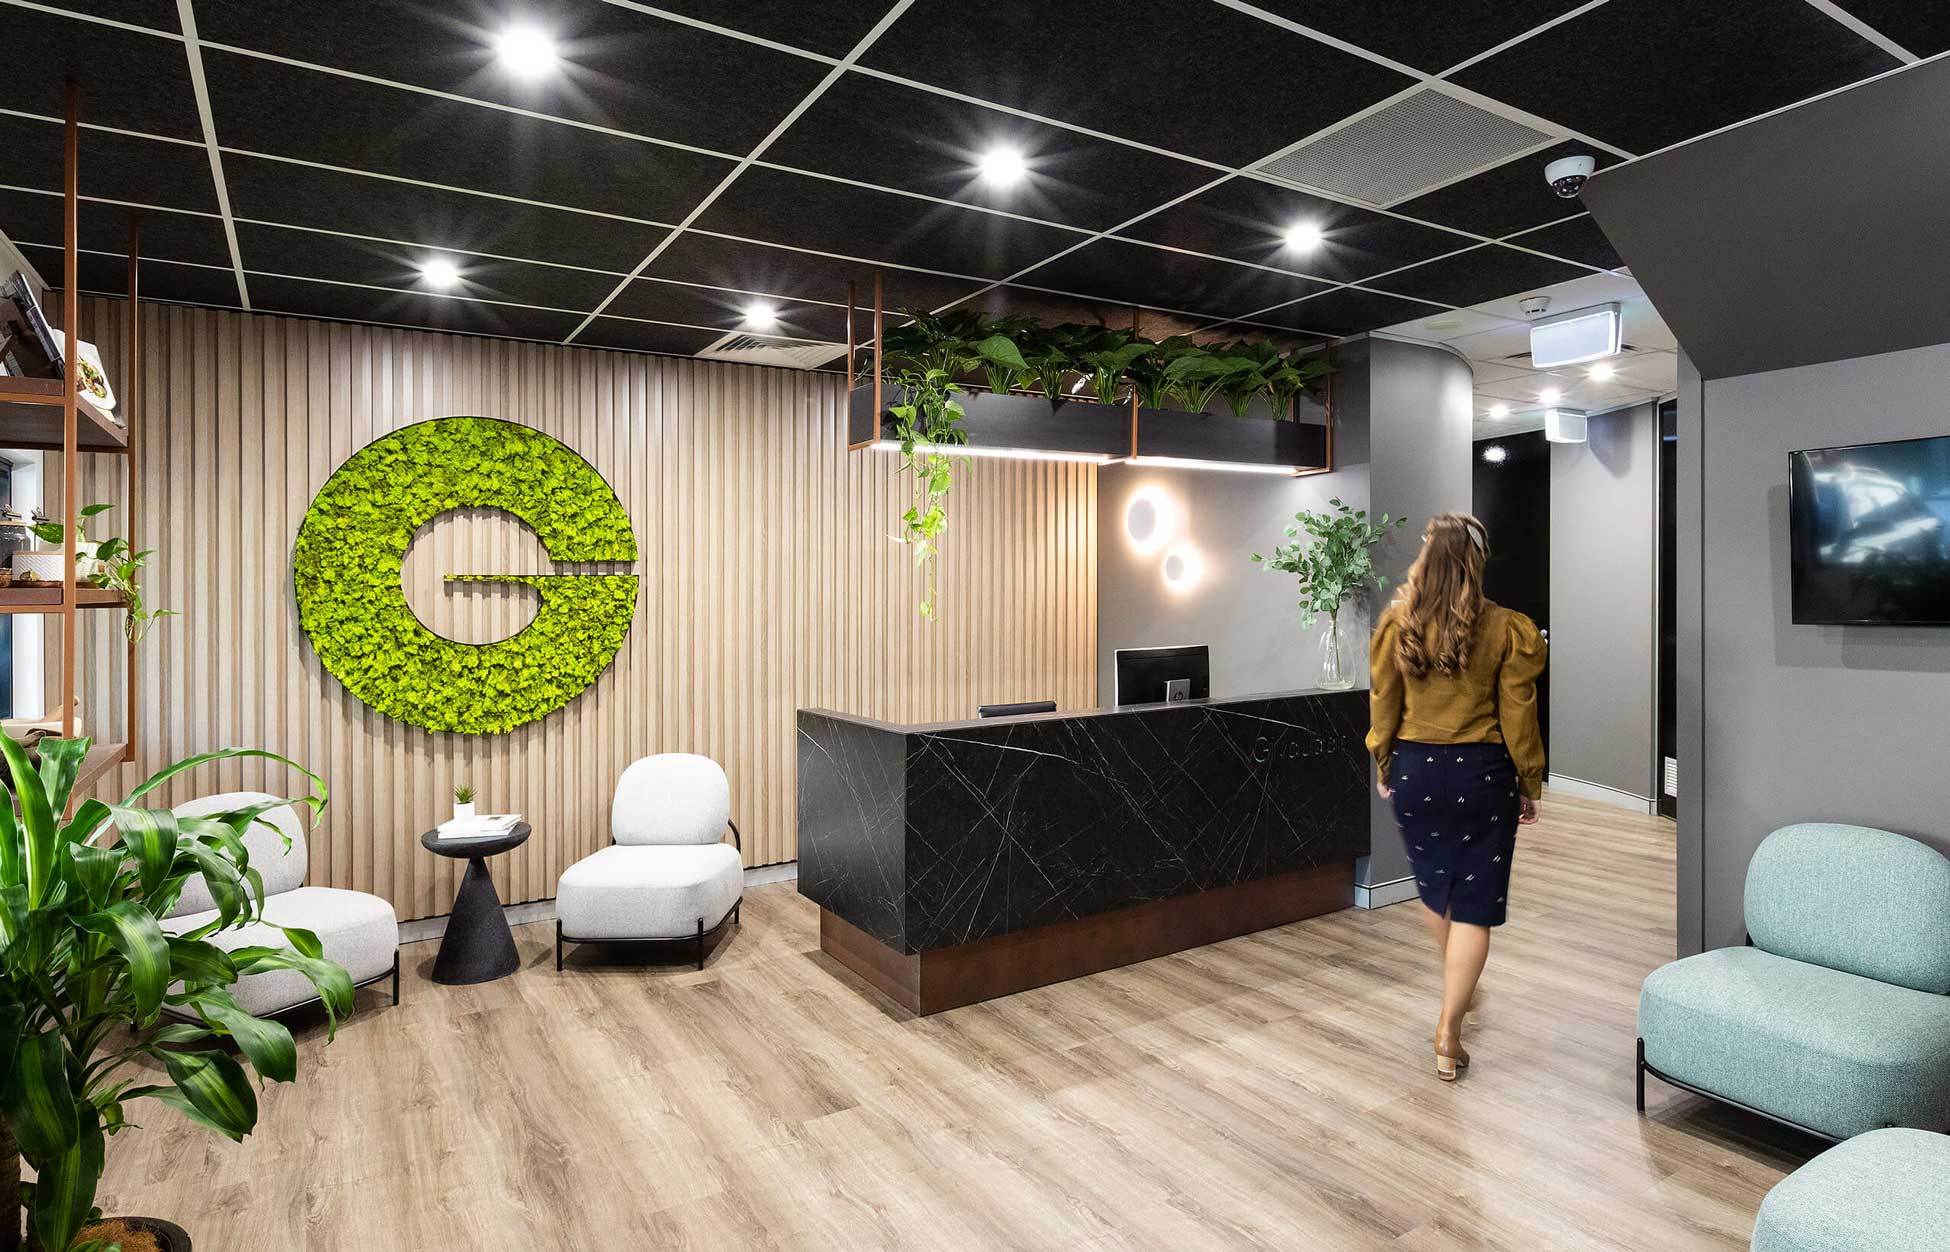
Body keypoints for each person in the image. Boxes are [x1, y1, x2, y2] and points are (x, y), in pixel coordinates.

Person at [1367, 513, 1546, 1081]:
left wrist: (1385, 761)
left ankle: (1458, 989)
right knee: (1472, 903)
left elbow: (1383, 703)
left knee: (1435, 886)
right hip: (1480, 776)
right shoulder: (1505, 629)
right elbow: (1518, 714)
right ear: (1476, 563)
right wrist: (1529, 780)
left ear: (1426, 559)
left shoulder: (1398, 624)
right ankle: (1448, 1030)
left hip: (1416, 774)